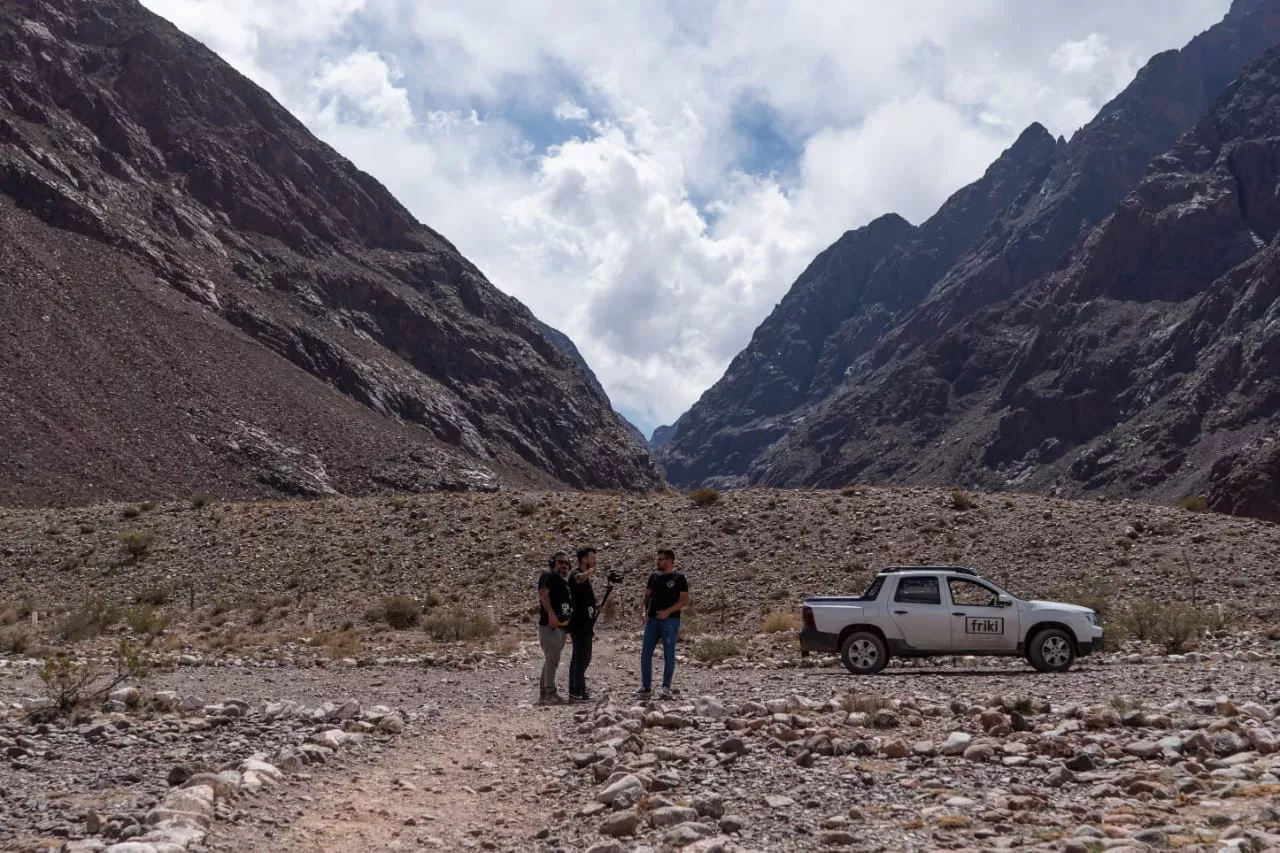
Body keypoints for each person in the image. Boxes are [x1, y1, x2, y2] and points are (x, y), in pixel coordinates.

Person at [637, 548, 690, 700]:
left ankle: (666, 687)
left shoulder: (679, 578)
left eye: (662, 559)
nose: (659, 561)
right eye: (658, 559)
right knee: (646, 653)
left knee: (669, 654)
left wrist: (668, 611)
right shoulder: (653, 577)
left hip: (670, 620)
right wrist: (644, 611)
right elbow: (646, 596)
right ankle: (646, 686)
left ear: (671, 561)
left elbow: (684, 601)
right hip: (653, 620)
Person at [537, 550, 573, 705]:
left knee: (551, 659)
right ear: (553, 562)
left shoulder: (565, 581)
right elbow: (543, 594)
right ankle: (550, 693)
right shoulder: (548, 576)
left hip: (562, 626)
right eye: (560, 562)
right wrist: (551, 613)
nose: (564, 565)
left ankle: (544, 693)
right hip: (550, 625)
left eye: (566, 563)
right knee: (553, 659)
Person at [567, 546, 600, 701]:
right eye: (592, 557)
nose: (594, 561)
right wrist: (589, 572)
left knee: (584, 658)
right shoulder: (575, 574)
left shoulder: (583, 577)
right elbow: (578, 579)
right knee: (580, 658)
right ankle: (576, 691)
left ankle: (579, 689)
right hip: (579, 625)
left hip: (586, 624)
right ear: (584, 559)